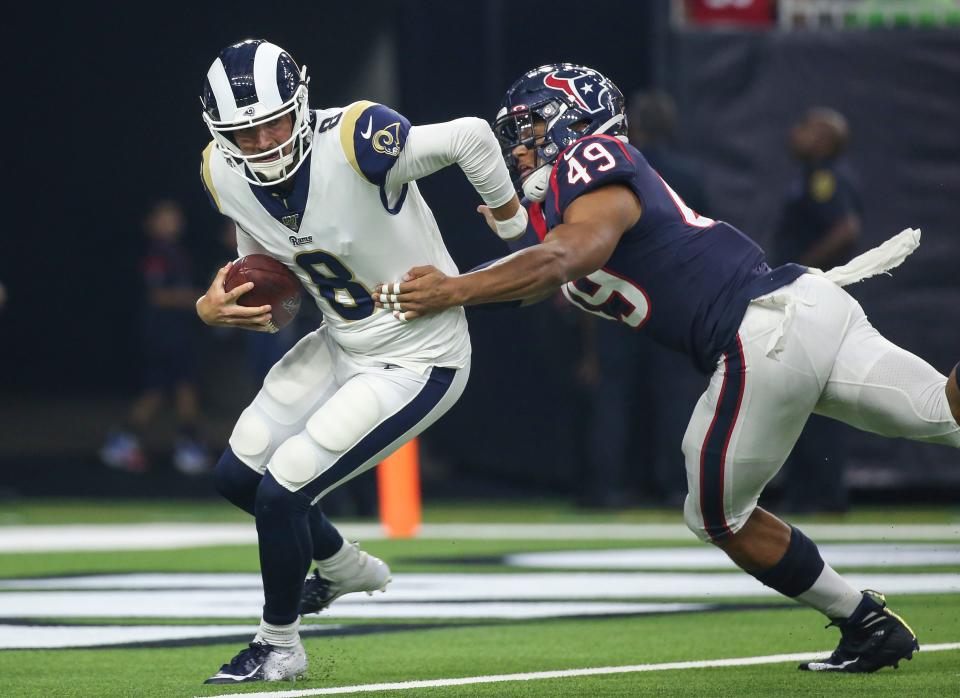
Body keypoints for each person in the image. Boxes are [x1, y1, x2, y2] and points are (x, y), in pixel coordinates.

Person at [376, 63, 958, 673]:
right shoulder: (569, 206)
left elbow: (567, 257)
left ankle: (865, 624)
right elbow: (545, 270)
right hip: (805, 307)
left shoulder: (592, 159)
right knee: (944, 410)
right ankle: (867, 627)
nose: (519, 148)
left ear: (575, 120)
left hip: (759, 333)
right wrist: (491, 261)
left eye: (531, 127)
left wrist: (457, 288)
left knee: (713, 514)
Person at [194, 40, 524, 684]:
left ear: (302, 103)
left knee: (283, 488)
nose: (261, 141)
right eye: (243, 130)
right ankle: (343, 566)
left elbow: (472, 137)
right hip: (340, 340)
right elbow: (269, 277)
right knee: (237, 478)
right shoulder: (220, 169)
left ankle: (280, 646)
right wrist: (220, 303)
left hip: (417, 357)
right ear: (218, 132)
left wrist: (519, 237)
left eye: (273, 121)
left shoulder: (358, 139)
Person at [776, 107, 863, 513]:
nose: (796, 132)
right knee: (805, 396)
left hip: (813, 300)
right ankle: (809, 492)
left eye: (806, 126)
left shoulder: (825, 177)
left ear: (826, 137)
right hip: (809, 299)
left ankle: (822, 494)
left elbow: (846, 227)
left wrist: (804, 268)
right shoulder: (811, 177)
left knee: (815, 396)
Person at [100, 200, 212, 475]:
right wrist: (198, 298)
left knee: (176, 388)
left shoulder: (177, 252)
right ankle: (178, 446)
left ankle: (180, 445)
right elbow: (157, 294)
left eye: (175, 216)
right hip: (163, 332)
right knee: (167, 389)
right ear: (151, 223)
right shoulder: (157, 253)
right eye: (165, 217)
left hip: (177, 331)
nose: (173, 221)